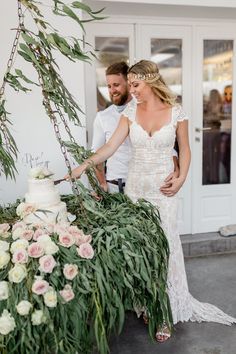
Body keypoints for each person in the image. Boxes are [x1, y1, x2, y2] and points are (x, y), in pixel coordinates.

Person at [65, 60, 236, 342]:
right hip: (136, 191)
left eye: (136, 84)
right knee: (144, 249)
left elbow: (186, 150)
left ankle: (164, 311)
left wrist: (181, 179)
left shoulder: (176, 112)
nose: (131, 91)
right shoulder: (131, 112)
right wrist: (85, 165)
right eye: (129, 84)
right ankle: (148, 304)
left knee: (165, 249)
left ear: (152, 81)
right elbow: (110, 146)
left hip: (164, 192)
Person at [92, 61, 179, 194]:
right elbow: (97, 153)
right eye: (109, 86)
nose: (112, 90)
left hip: (148, 183)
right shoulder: (102, 117)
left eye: (116, 85)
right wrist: (102, 183)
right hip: (117, 186)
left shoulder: (146, 109)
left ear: (129, 83)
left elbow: (166, 146)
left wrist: (176, 169)